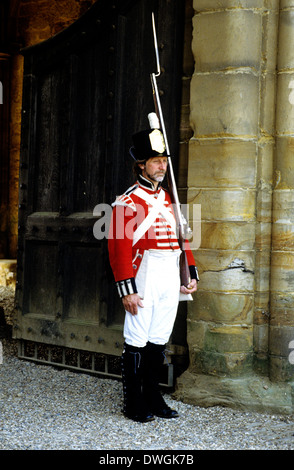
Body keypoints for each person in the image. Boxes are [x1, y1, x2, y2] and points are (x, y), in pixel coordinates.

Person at [108, 124, 199, 423]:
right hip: (144, 272)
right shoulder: (127, 201)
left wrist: (190, 274)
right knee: (137, 337)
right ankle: (133, 401)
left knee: (159, 336)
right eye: (156, 161)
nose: (163, 165)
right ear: (141, 165)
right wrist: (127, 289)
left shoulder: (169, 199)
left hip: (170, 270)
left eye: (164, 160)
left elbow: (183, 237)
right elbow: (118, 248)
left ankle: (153, 395)